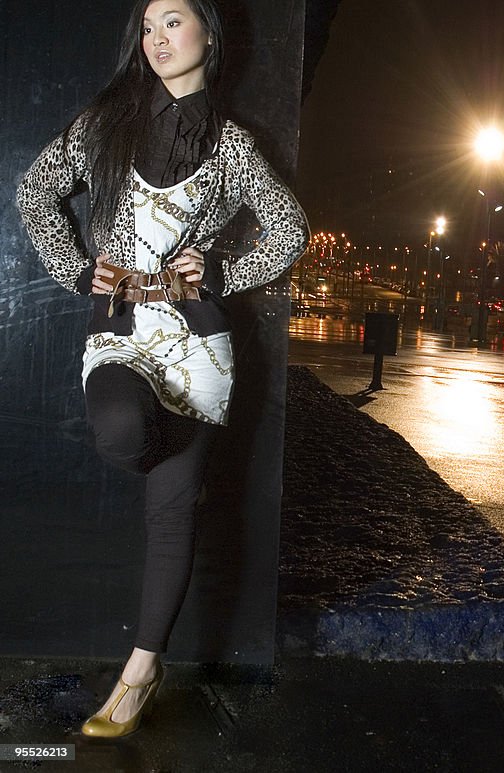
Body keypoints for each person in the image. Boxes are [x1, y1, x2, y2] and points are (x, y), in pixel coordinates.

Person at [16, 0, 309, 738]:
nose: (156, 38)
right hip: (123, 330)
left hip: (199, 345)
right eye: (147, 27)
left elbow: (291, 230)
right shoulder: (105, 124)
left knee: (171, 518)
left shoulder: (235, 148)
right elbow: (34, 192)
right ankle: (183, 465)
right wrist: (76, 267)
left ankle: (140, 672)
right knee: (120, 430)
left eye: (173, 21)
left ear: (209, 33)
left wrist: (222, 269)